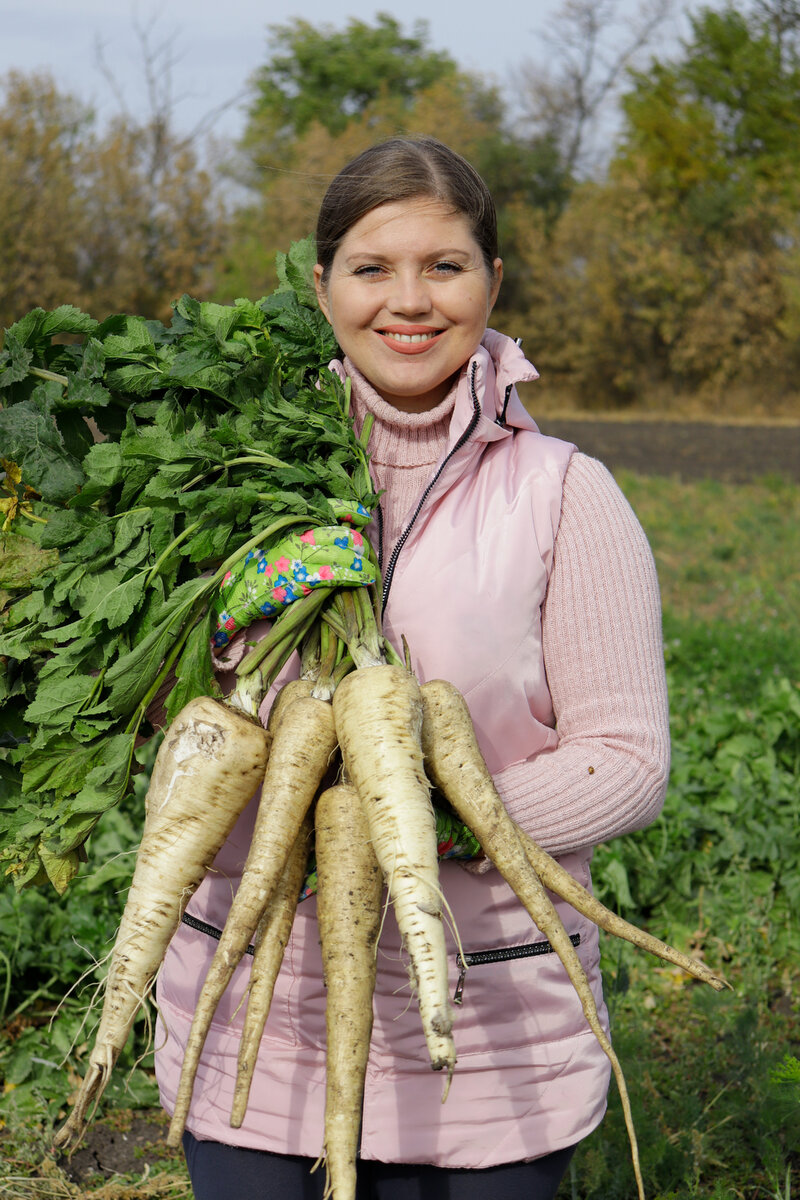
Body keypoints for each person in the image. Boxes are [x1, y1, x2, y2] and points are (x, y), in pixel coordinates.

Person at [154, 135, 670, 1200]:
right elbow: (156, 722)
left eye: (444, 266)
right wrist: (218, 635)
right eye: (371, 267)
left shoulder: (566, 497)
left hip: (486, 1037)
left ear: (491, 280)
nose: (410, 300)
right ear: (320, 286)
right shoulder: (224, 484)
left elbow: (624, 759)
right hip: (249, 1012)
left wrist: (420, 817)